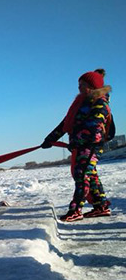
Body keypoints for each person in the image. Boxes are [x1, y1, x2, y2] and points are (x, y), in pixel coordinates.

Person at [42, 69, 112, 222]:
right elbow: (65, 124)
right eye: (78, 84)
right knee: (90, 176)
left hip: (91, 146)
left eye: (83, 84)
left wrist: (76, 142)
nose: (79, 87)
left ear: (92, 87)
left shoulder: (99, 103)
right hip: (81, 145)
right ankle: (101, 207)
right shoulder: (80, 103)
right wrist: (50, 139)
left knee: (82, 175)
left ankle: (76, 210)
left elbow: (93, 128)